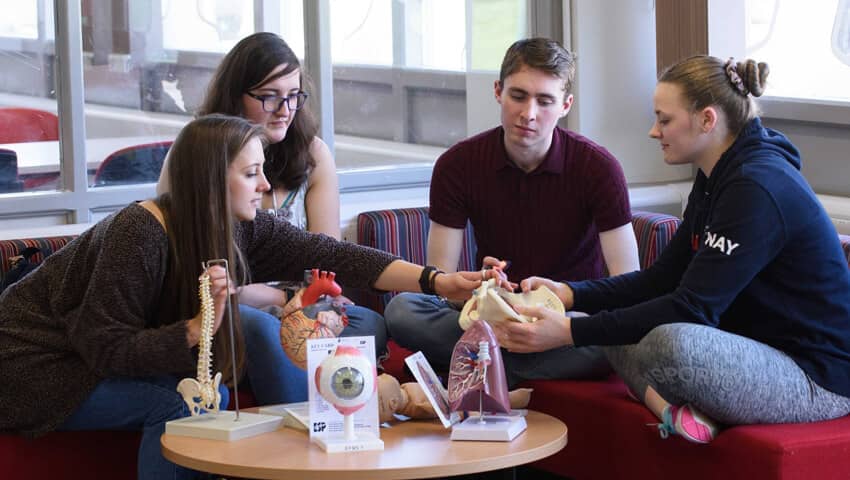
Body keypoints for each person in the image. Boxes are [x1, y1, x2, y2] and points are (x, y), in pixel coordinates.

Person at [0, 115, 494, 479]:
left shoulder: (237, 227)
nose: (264, 185)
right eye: (251, 173)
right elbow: (102, 347)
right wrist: (194, 330)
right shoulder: (139, 233)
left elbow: (335, 253)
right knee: (178, 409)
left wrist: (437, 281)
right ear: (212, 180)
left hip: (83, 359)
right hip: (31, 368)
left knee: (207, 394)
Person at [496, 55, 850, 444]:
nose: (653, 131)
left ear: (707, 120)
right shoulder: (715, 176)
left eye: (664, 120)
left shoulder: (757, 187)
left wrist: (566, 331)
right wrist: (570, 294)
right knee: (610, 320)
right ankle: (669, 407)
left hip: (814, 378)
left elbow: (692, 308)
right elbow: (661, 279)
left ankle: (667, 399)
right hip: (748, 349)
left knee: (669, 343)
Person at [384, 37, 640, 386]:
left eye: (545, 101)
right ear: (498, 91)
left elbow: (628, 282)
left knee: (616, 339)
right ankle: (509, 361)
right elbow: (439, 280)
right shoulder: (457, 165)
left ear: (566, 105)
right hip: (489, 311)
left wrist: (566, 311)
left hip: (565, 317)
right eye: (518, 96)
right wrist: (478, 286)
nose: (528, 114)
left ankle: (482, 363)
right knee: (402, 311)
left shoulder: (599, 168)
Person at [157, 32, 386, 405]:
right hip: (225, 310)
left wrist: (303, 302)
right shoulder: (198, 152)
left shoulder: (313, 154)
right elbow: (202, 279)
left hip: (304, 304)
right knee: (263, 328)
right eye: (269, 96)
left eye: (294, 96)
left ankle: (346, 425)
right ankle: (297, 437)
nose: (285, 109)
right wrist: (284, 297)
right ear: (236, 95)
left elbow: (325, 260)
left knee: (366, 322)